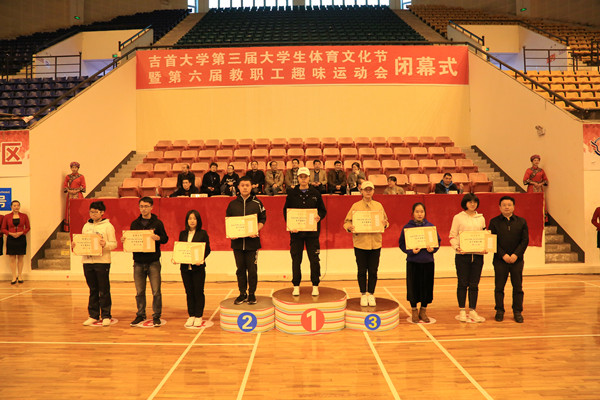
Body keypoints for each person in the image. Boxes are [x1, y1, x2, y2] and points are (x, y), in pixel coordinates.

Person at [124, 197, 169, 327]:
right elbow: (132, 240)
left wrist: (158, 238)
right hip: (138, 262)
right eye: (141, 206)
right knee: (139, 291)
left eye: (146, 206)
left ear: (151, 207)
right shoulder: (135, 224)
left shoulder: (158, 223)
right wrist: (125, 240)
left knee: (156, 291)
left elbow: (165, 238)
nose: (143, 209)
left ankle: (156, 315)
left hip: (153, 261)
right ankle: (140, 314)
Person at [343, 181, 389, 307]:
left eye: (370, 189)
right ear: (361, 191)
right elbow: (346, 222)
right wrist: (349, 227)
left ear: (373, 191)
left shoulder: (378, 206)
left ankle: (371, 294)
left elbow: (385, 221)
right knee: (362, 270)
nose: (368, 192)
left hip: (375, 243)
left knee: (373, 271)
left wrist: (385, 224)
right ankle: (363, 294)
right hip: (360, 243)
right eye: (365, 189)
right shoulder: (355, 206)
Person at [283, 167, 327, 296]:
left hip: (312, 234)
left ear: (309, 178)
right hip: (296, 234)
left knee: (314, 259)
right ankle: (296, 285)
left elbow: (323, 210)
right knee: (296, 259)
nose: (303, 179)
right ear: (298, 178)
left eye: (305, 177)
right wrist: (291, 225)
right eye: (301, 177)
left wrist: (319, 216)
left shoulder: (316, 193)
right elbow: (286, 212)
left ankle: (315, 285)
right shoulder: (291, 193)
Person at [226, 177, 267, 305]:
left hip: (252, 243)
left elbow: (263, 219)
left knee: (252, 270)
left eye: (247, 185)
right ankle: (242, 293)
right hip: (237, 243)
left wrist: (256, 229)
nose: (244, 187)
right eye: (242, 185)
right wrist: (231, 233)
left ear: (251, 187)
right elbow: (229, 221)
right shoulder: (232, 204)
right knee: (240, 270)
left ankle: (252, 294)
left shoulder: (257, 203)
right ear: (238, 187)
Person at [488, 196, 529, 323]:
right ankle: (499, 311)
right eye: (504, 205)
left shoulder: (521, 222)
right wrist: (503, 255)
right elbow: (492, 240)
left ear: (514, 207)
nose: (507, 207)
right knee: (499, 287)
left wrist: (516, 255)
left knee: (518, 287)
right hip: (500, 260)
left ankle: (517, 311)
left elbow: (525, 240)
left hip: (517, 260)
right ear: (499, 207)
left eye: (509, 205)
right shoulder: (494, 222)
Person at [398, 203, 441, 323]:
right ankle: (414, 310)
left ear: (425, 213)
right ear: (412, 213)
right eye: (417, 211)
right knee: (413, 287)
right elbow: (402, 243)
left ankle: (423, 310)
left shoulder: (430, 227)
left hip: (428, 262)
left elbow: (437, 242)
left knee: (427, 287)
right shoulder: (408, 228)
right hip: (413, 262)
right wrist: (411, 251)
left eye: (422, 211)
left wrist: (433, 249)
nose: (419, 214)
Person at [77, 201, 117, 327]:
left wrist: (105, 244)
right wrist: (76, 245)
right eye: (91, 211)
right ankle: (93, 315)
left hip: (102, 262)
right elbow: (82, 242)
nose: (93, 214)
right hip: (87, 261)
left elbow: (114, 244)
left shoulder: (108, 226)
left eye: (96, 212)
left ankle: (106, 315)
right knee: (93, 289)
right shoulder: (86, 226)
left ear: (102, 212)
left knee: (104, 290)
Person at [449, 193, 487, 323]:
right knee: (462, 283)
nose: (472, 204)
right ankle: (461, 310)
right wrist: (457, 247)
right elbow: (452, 235)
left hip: (478, 256)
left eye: (475, 202)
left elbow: (484, 235)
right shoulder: (458, 217)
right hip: (462, 256)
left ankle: (472, 310)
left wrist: (486, 247)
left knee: (474, 284)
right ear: (465, 203)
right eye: (470, 201)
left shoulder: (481, 218)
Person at [174, 210, 211, 328]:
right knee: (189, 292)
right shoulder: (183, 234)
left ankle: (199, 316)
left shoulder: (202, 233)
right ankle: (191, 315)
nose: (192, 221)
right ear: (187, 221)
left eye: (194, 218)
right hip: (185, 269)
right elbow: (180, 249)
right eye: (190, 218)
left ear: (198, 220)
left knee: (198, 292)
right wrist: (176, 258)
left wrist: (201, 259)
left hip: (198, 268)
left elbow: (207, 249)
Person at [2, 200, 30, 284]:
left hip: (21, 238)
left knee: (20, 257)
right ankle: (14, 277)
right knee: (12, 258)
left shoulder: (24, 216)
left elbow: (28, 227)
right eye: (14, 205)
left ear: (19, 206)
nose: (16, 207)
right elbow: (3, 229)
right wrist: (10, 233)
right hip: (11, 239)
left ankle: (20, 276)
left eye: (18, 205)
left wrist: (21, 232)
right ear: (11, 207)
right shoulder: (7, 216)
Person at [523, 154, 548, 222]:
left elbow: (545, 180)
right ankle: (531, 218)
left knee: (540, 203)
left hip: (540, 188)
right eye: (535, 160)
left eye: (537, 160)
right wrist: (534, 183)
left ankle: (541, 219)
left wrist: (540, 184)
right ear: (532, 161)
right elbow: (525, 180)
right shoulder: (528, 170)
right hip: (531, 188)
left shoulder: (541, 171)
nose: (536, 162)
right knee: (531, 202)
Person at [63, 161, 86, 232]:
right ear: (70, 168)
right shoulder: (68, 177)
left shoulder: (81, 177)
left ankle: (79, 226)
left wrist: (76, 191)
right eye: (72, 167)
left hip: (78, 195)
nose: (74, 169)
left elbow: (83, 186)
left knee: (79, 210)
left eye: (75, 167)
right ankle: (69, 227)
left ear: (78, 168)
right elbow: (65, 185)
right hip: (70, 195)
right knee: (70, 210)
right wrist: (69, 191)